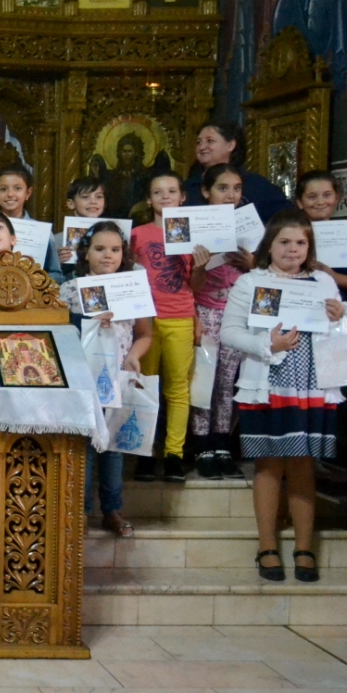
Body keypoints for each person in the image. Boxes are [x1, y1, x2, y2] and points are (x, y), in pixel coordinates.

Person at [220, 210, 347, 583]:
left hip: (311, 385)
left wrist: (341, 314)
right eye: (285, 242)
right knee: (269, 464)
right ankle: (267, 545)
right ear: (270, 245)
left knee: (303, 465)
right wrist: (266, 344)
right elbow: (230, 332)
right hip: (269, 383)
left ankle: (304, 547)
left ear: (310, 247)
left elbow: (340, 327)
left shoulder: (323, 281)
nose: (293, 249)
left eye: (301, 243)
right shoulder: (251, 282)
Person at [72, 223, 152, 534]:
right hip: (84, 379)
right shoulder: (73, 288)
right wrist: (88, 323)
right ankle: (81, 510)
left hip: (118, 376)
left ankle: (112, 509)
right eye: (100, 249)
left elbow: (145, 334)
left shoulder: (132, 288)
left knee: (113, 447)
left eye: (115, 250)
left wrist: (135, 355)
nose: (108, 255)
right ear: (86, 252)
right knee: (86, 446)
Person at [131, 171, 207, 482]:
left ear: (182, 197)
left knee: (178, 390)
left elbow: (197, 285)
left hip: (180, 316)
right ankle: (145, 452)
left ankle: (174, 453)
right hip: (145, 318)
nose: (165, 197)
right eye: (158, 192)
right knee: (146, 387)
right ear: (149, 199)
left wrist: (201, 265)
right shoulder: (137, 235)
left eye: (171, 191)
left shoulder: (191, 233)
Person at [190, 165, 253, 480]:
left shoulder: (249, 226)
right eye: (223, 188)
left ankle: (222, 445)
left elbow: (265, 279)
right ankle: (201, 446)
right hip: (205, 311)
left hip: (237, 314)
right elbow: (188, 286)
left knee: (228, 383)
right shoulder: (193, 227)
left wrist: (253, 263)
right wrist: (200, 266)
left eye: (237, 188)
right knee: (205, 381)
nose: (231, 195)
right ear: (206, 192)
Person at [182, 121, 291, 220]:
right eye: (199, 142)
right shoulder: (186, 188)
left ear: (230, 145)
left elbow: (286, 219)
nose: (202, 147)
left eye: (210, 141)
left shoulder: (257, 185)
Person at [295, 170, 347, 297]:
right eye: (312, 197)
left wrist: (332, 276)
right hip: (297, 304)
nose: (320, 202)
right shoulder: (288, 234)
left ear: (336, 198)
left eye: (327, 195)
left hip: (337, 309)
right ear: (300, 202)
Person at [56, 177, 108, 279]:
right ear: (71, 204)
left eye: (99, 197)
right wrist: (57, 263)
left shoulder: (114, 237)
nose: (93, 201)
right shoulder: (58, 240)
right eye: (85, 197)